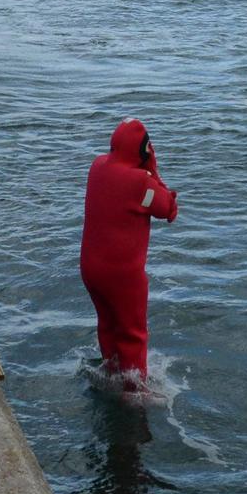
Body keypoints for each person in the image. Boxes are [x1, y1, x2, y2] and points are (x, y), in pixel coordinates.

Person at [80, 119, 179, 386]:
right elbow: (167, 208)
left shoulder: (97, 166)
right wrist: (152, 168)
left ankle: (110, 371)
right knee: (133, 334)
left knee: (108, 325)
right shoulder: (140, 183)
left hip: (91, 270)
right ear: (145, 149)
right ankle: (135, 393)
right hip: (122, 277)